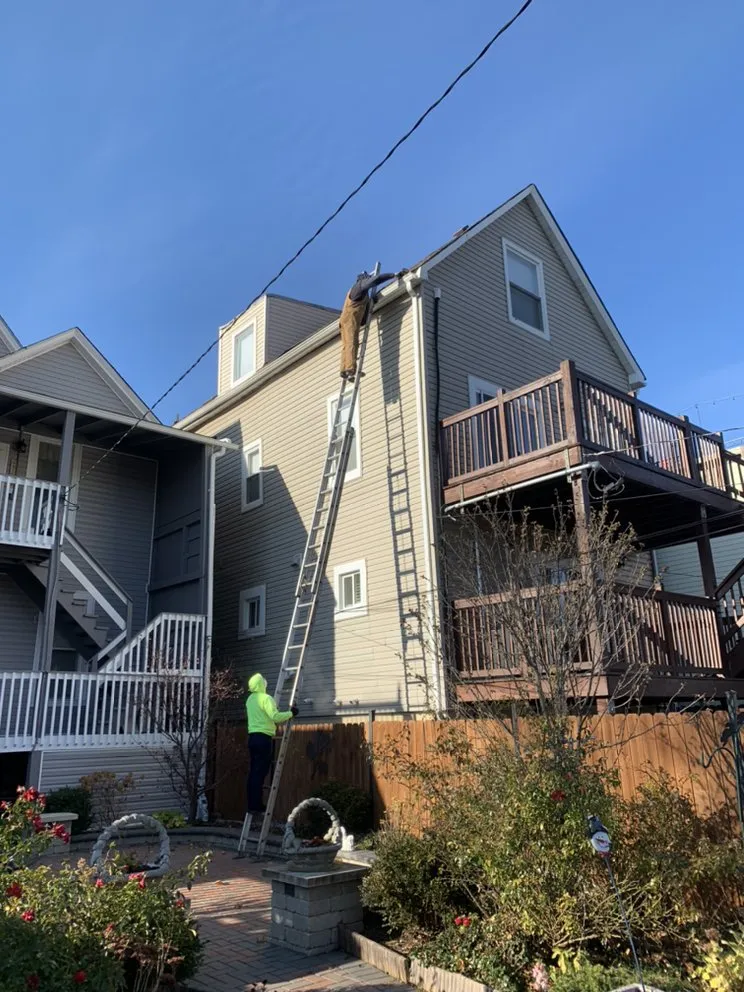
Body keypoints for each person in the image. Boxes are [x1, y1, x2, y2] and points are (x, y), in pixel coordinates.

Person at [245, 673, 298, 814]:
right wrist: (291, 713)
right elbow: (274, 717)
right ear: (261, 684)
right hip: (263, 739)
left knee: (254, 772)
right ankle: (256, 806)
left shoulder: (250, 699)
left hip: (252, 738)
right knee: (261, 772)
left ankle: (251, 805)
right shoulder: (266, 698)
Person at [339, 270, 398, 380]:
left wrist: (372, 301)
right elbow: (376, 280)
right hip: (349, 319)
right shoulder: (358, 287)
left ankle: (344, 370)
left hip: (349, 320)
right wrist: (393, 275)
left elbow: (363, 320)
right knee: (352, 342)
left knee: (347, 344)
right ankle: (350, 369)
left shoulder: (363, 296)